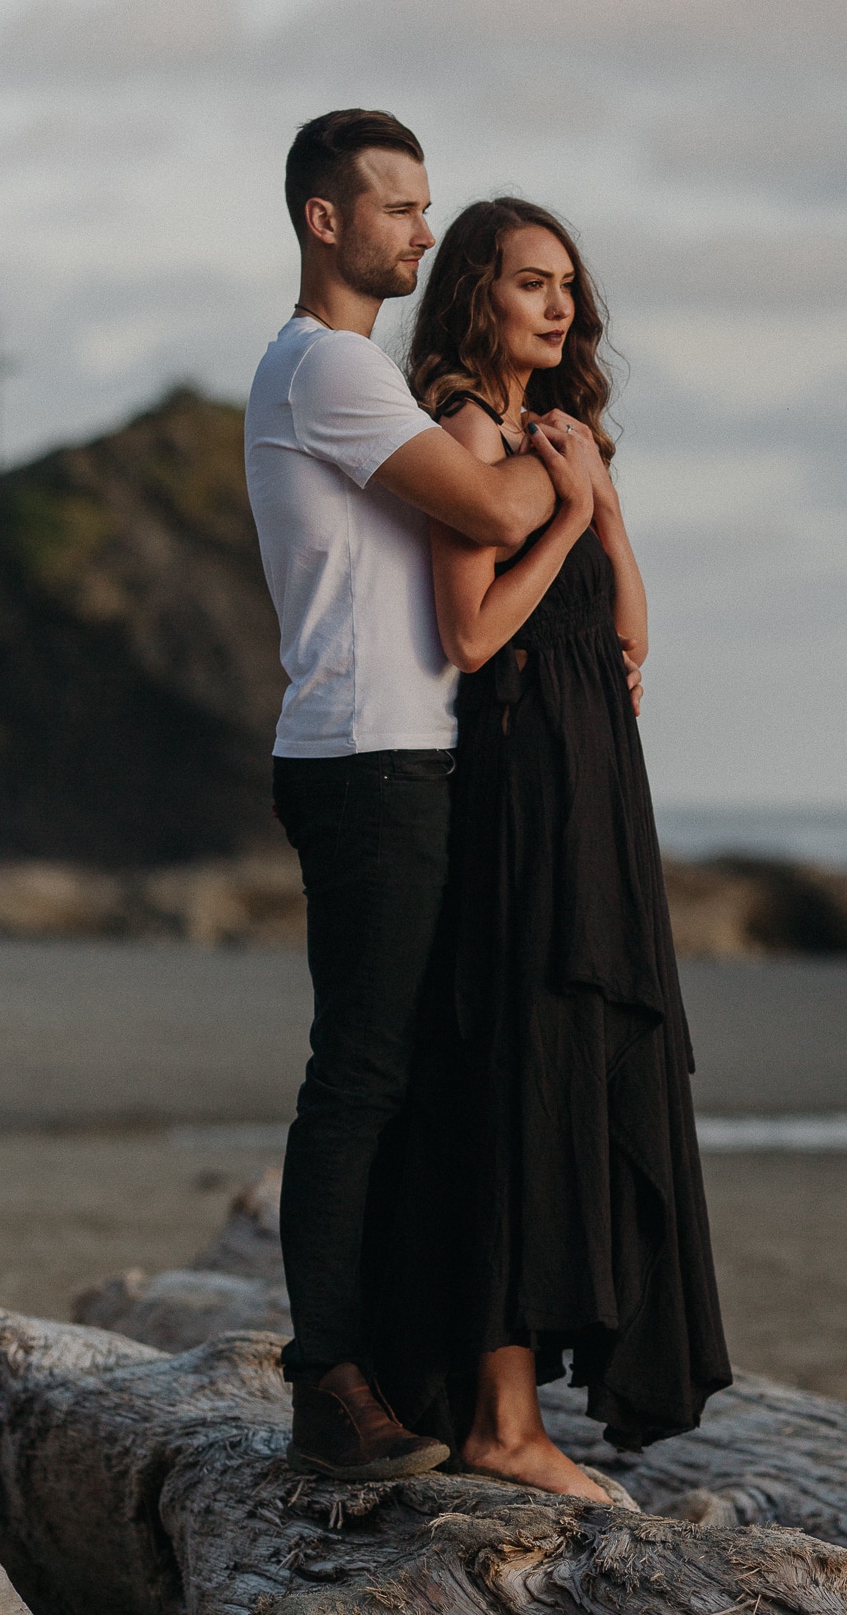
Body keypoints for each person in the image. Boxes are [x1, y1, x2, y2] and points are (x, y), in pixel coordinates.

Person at [366, 198, 730, 1500]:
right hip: (519, 788)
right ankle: (497, 1424)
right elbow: (468, 637)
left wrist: (604, 510)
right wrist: (568, 517)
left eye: (567, 284)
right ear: (476, 294)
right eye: (530, 283)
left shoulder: (565, 434)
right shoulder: (464, 430)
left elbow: (627, 642)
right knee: (520, 1076)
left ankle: (514, 1412)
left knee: (577, 1069)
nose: (558, 304)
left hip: (595, 781)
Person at [244, 113, 568, 1482]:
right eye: (396, 209)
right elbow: (487, 515)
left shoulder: (348, 373)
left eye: (427, 210)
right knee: (362, 1078)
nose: (421, 235)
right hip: (367, 759)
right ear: (327, 221)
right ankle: (327, 1382)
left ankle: (388, 1367)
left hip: (395, 753)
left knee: (402, 1074)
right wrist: (558, 473)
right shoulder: (327, 369)